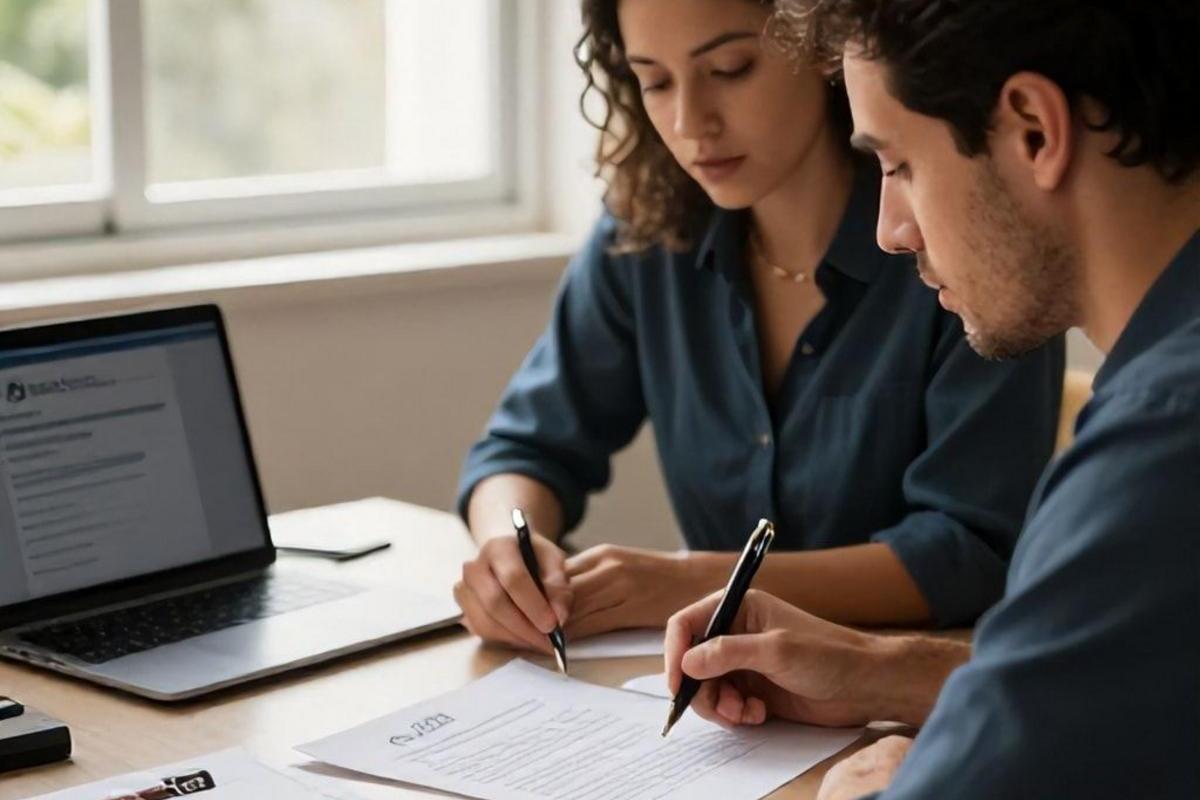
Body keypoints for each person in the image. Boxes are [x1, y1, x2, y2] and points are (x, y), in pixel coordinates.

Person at [664, 2, 1200, 798]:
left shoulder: (1158, 448)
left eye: (899, 165)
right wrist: (885, 669)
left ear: (1033, 131)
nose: (890, 230)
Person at [453, 0, 1063, 654]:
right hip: (727, 706)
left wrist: (691, 581)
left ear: (823, 47)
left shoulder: (962, 249)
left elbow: (969, 551)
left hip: (910, 703)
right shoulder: (646, 238)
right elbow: (525, 449)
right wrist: (507, 547)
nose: (691, 123)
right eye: (654, 82)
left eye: (729, 68)